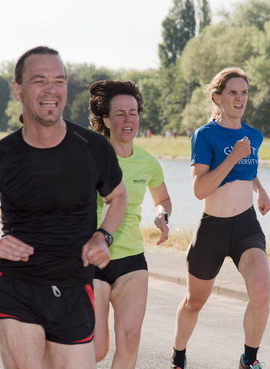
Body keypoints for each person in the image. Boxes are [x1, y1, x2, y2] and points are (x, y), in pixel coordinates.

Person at [0, 46, 127, 369]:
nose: (51, 90)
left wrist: (103, 236)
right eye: (39, 80)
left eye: (59, 80)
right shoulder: (5, 154)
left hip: (73, 284)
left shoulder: (93, 148)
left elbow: (118, 197)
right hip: (17, 285)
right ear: (17, 89)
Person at [170, 67, 270, 369]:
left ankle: (249, 360)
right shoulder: (205, 135)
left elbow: (247, 170)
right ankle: (178, 356)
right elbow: (199, 189)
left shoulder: (253, 136)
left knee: (262, 294)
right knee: (194, 302)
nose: (240, 99)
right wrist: (232, 157)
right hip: (212, 230)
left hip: (245, 226)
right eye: (232, 93)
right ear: (218, 97)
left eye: (244, 93)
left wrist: (260, 189)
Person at [88, 80, 172, 368]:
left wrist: (162, 214)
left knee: (130, 338)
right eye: (120, 113)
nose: (128, 120)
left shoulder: (148, 163)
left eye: (133, 112)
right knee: (96, 348)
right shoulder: (89, 157)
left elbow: (163, 198)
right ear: (106, 120)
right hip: (93, 259)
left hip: (132, 261)